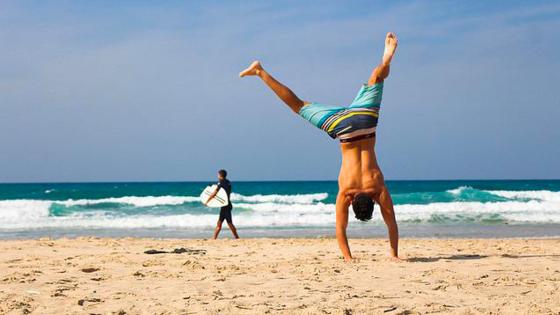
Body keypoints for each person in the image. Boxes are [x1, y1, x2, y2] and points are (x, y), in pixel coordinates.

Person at [239, 33, 400, 261]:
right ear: (353, 203)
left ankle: (385, 61)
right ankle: (260, 72)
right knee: (299, 105)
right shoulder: (347, 192)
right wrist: (348, 258)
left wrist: (395, 254)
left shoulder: (378, 188)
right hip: (342, 129)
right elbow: (341, 228)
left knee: (377, 78)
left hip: (364, 121)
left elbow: (392, 223)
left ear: (372, 202)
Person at [205, 169, 240, 239]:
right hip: (227, 205)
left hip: (225, 206)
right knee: (220, 222)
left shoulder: (221, 183)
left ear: (220, 175)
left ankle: (237, 237)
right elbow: (223, 190)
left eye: (218, 175)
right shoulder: (228, 182)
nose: (217, 176)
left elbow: (214, 193)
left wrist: (207, 201)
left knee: (229, 223)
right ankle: (214, 237)